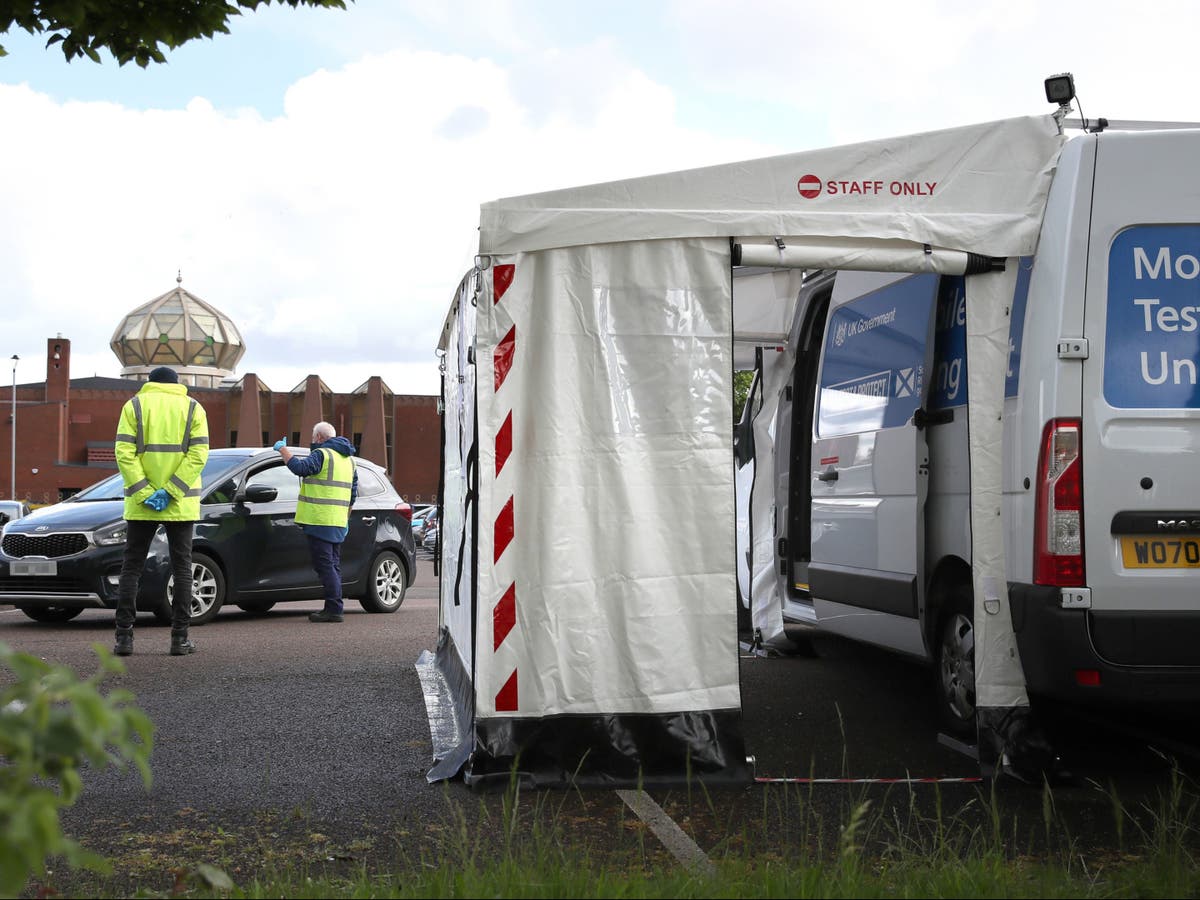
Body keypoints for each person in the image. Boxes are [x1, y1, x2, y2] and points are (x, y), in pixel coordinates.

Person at [113, 366, 209, 656]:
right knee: (182, 569)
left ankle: (124, 640)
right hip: (181, 503)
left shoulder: (134, 406)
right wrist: (171, 492)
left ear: (149, 383)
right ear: (177, 384)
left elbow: (123, 453)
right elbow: (199, 454)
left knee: (131, 568)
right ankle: (179, 639)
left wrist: (145, 492)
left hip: (141, 504)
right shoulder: (194, 408)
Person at [274, 422, 358, 623]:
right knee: (333, 564)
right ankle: (334, 606)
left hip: (320, 519)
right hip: (337, 520)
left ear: (320, 438)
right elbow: (352, 494)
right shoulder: (349, 460)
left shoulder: (323, 454)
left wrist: (283, 450)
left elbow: (300, 468)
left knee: (325, 565)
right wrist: (345, 519)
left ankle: (334, 609)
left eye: (313, 438)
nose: (313, 442)